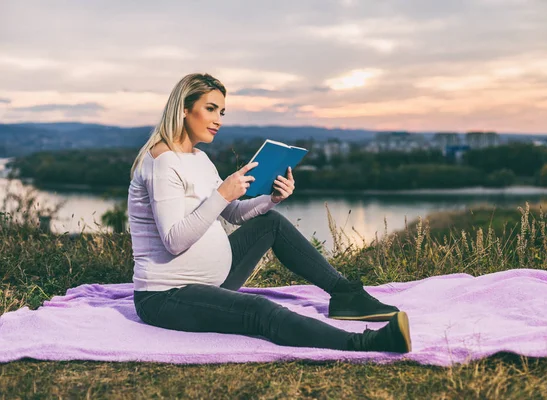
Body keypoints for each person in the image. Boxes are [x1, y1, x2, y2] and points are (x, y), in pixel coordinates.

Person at [127, 73, 412, 353]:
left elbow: (235, 214)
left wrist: (271, 199)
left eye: (222, 112)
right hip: (166, 297)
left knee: (270, 223)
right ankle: (365, 343)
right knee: (259, 310)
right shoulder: (162, 163)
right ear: (184, 109)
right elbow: (174, 241)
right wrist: (222, 193)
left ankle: (346, 295)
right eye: (210, 109)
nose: (218, 120)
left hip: (212, 282)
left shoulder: (198, 159)